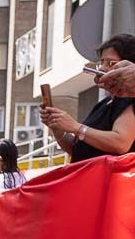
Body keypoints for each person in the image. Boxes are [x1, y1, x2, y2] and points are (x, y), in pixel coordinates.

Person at [42, 34, 135, 162]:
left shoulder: (128, 99)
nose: (102, 68)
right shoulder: (103, 104)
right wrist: (57, 127)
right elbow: (77, 150)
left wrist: (76, 127)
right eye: (101, 62)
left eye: (111, 63)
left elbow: (120, 143)